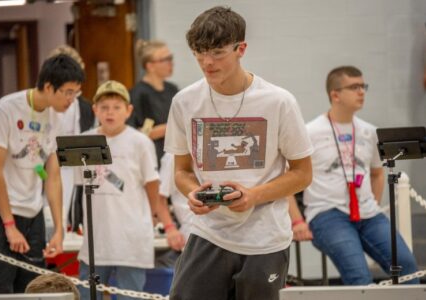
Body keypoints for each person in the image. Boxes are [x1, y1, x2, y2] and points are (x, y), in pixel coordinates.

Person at [164, 6, 313, 300]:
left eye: (218, 52)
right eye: (199, 52)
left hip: (264, 238)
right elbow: (181, 171)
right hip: (208, 233)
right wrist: (193, 193)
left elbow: (303, 173)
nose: (207, 62)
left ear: (240, 48)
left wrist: (254, 196)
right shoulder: (184, 102)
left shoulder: (279, 102)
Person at [289, 65, 419, 285]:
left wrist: (373, 204)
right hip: (327, 214)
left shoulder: (369, 132)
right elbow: (288, 179)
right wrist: (297, 221)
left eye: (363, 86)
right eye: (354, 87)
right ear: (335, 95)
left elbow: (377, 174)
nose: (362, 92)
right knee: (360, 278)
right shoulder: (310, 132)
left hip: (368, 214)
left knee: (407, 267)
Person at [0, 54, 85, 294]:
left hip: (32, 213)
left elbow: (53, 176)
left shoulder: (58, 117)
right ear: (48, 86)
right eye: (67, 92)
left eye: (75, 93)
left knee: (32, 289)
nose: (71, 100)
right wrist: (9, 225)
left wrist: (58, 228)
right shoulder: (7, 109)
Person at [75, 80, 184, 300]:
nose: (110, 113)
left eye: (117, 107)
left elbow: (153, 187)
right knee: (86, 295)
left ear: (128, 110)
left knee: (130, 296)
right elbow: (79, 187)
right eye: (104, 107)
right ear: (95, 110)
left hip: (131, 238)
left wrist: (165, 223)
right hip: (96, 241)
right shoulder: (84, 141)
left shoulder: (140, 142)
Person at [47, 45, 96, 232]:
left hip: (75, 168)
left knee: (75, 216)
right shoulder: (47, 106)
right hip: (48, 168)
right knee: (51, 216)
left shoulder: (85, 107)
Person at [128, 39, 178, 164]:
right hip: (151, 159)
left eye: (170, 58)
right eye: (164, 59)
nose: (170, 63)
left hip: (173, 157)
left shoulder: (172, 89)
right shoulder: (138, 94)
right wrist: (167, 129)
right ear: (150, 66)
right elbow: (133, 133)